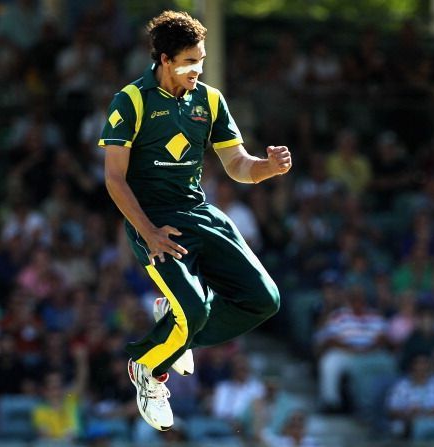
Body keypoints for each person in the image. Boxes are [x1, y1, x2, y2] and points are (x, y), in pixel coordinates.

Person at [100, 10, 292, 431]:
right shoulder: (130, 100)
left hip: (202, 214)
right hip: (154, 222)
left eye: (201, 59)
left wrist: (267, 168)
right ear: (165, 59)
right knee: (194, 310)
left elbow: (238, 165)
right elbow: (113, 179)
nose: (197, 68)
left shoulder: (209, 99)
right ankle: (146, 367)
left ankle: (175, 330)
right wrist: (147, 232)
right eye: (189, 60)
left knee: (264, 299)